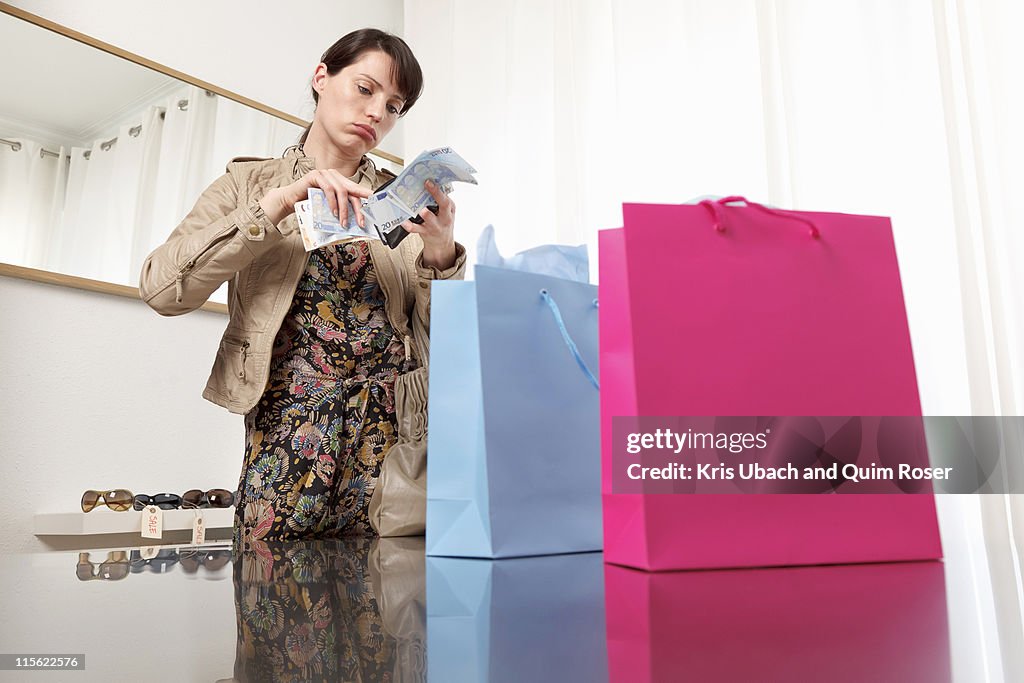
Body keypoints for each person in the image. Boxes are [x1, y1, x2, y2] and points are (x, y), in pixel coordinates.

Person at [138, 29, 466, 546]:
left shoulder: (402, 201)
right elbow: (162, 289)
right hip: (287, 434)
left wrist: (441, 253)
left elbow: (444, 345)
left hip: (387, 446)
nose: (378, 111)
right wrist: (277, 204)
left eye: (394, 105)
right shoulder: (249, 185)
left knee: (386, 610)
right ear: (322, 78)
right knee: (273, 604)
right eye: (365, 88)